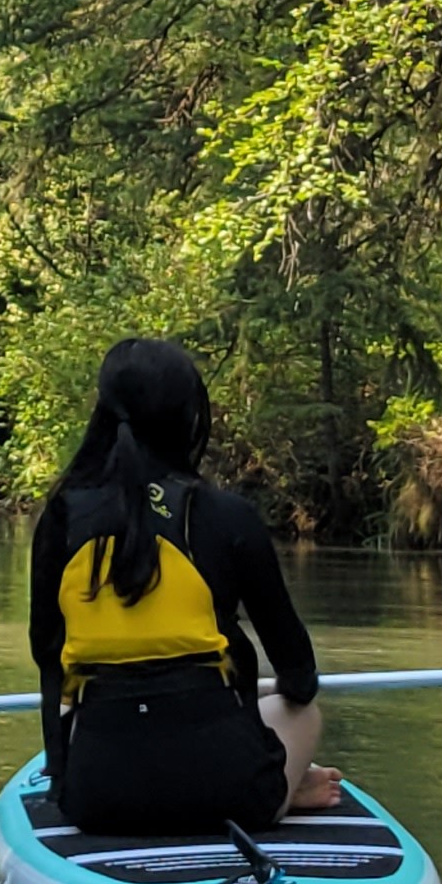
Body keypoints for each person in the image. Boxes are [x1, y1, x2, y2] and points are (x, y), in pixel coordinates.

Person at [29, 336, 339, 837]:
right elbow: (299, 678)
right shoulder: (228, 516)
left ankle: (278, 788)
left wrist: (63, 775)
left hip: (96, 797)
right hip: (227, 791)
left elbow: (48, 656)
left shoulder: (62, 516)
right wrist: (237, 690)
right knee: (301, 713)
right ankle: (280, 790)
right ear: (188, 417)